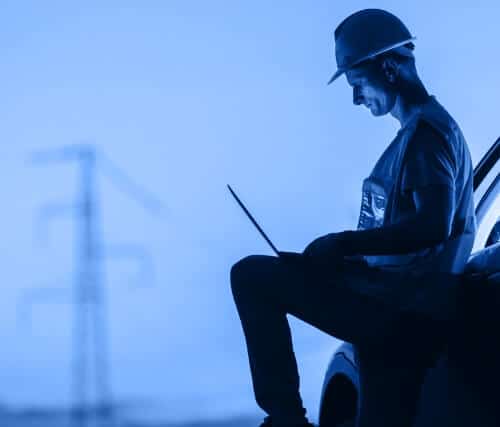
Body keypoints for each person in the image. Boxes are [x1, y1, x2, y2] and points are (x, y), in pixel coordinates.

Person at [230, 9, 476, 427]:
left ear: (388, 68)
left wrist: (343, 243)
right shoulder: (419, 135)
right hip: (400, 309)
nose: (357, 98)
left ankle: (286, 418)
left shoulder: (425, 137)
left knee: (252, 276)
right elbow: (401, 242)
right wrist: (335, 265)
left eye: (358, 84)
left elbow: (433, 225)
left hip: (400, 313)